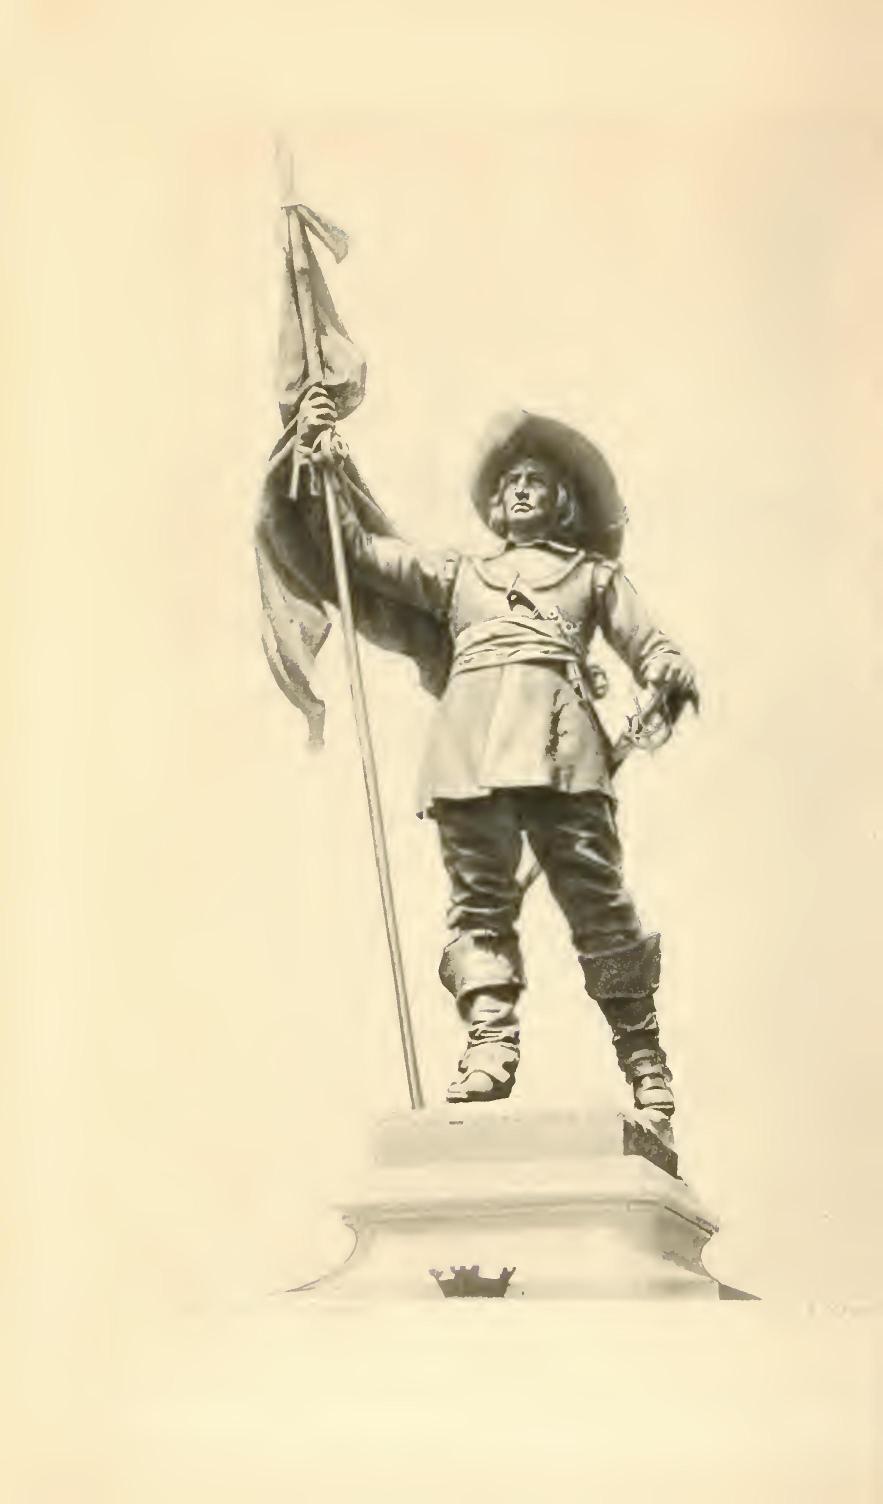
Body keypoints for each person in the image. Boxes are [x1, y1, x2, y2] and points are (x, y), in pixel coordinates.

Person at [294, 389, 698, 1123]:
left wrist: (666, 667)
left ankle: (643, 1056)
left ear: (561, 502)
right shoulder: (458, 575)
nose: (520, 489)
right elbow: (359, 554)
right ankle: (488, 1042)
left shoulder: (593, 577)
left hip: (562, 748)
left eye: (535, 481)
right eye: (510, 482)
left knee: (599, 901)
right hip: (469, 750)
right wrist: (325, 464)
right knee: (478, 904)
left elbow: (650, 643)